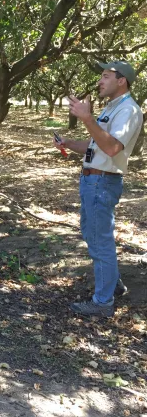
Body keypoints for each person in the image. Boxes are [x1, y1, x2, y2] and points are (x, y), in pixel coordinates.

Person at [54, 61, 143, 318]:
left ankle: (102, 302)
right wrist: (69, 142)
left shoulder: (129, 110)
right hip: (92, 180)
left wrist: (87, 117)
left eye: (106, 76)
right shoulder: (111, 108)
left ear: (121, 80)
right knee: (92, 234)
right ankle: (112, 284)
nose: (100, 81)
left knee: (99, 239)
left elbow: (113, 148)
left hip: (103, 182)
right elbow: (97, 145)